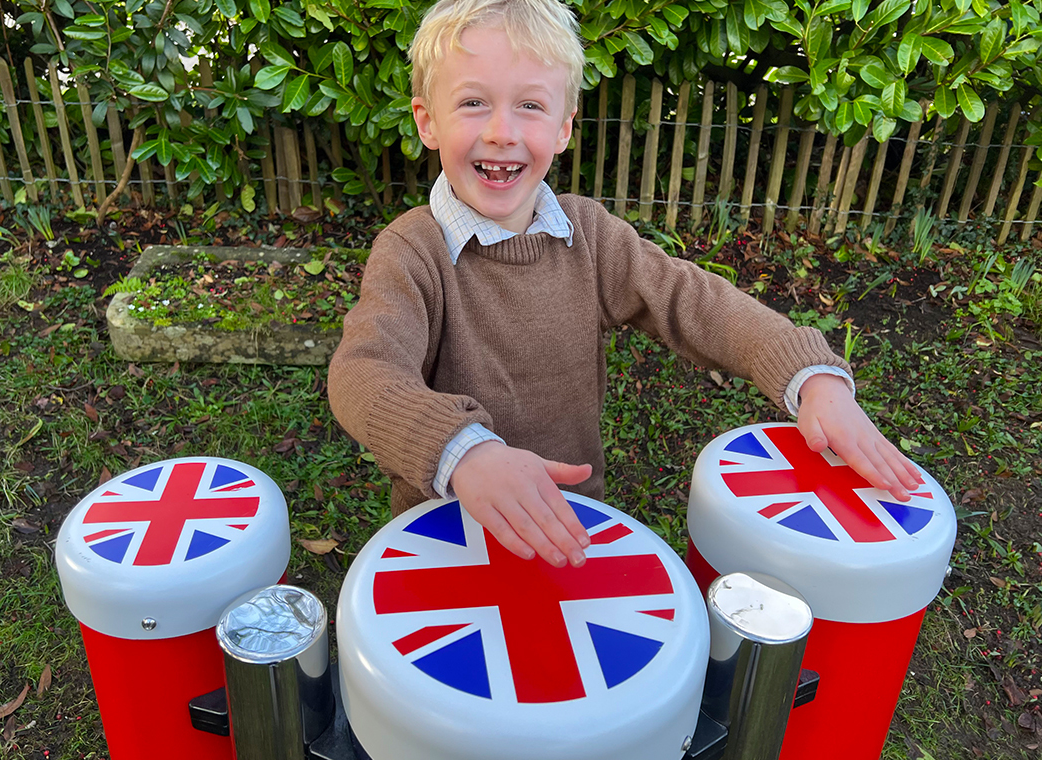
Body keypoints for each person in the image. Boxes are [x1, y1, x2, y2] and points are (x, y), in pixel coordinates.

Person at [327, 0, 921, 571]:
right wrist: (466, 451)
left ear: (562, 129)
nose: (503, 132)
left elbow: (695, 302)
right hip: (444, 535)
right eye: (474, 103)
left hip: (570, 523)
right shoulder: (413, 251)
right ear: (427, 121)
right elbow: (362, 373)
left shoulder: (588, 237)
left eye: (530, 106)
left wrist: (812, 377)